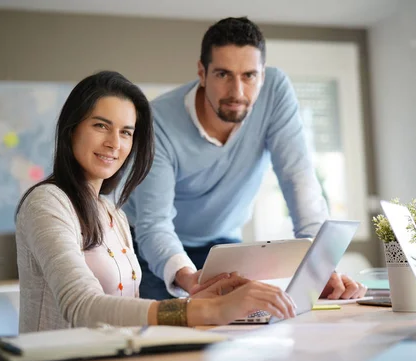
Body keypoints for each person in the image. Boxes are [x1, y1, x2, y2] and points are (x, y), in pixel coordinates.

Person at [15, 71, 296, 333]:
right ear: (71, 129)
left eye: (126, 132)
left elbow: (128, 310)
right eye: (101, 126)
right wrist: (209, 310)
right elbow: (81, 306)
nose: (115, 143)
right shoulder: (47, 203)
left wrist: (196, 301)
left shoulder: (114, 214)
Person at [124, 17, 368, 301]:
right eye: (223, 75)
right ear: (202, 73)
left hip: (222, 244)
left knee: (241, 327)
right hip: (154, 249)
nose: (237, 93)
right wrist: (189, 279)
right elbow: (155, 224)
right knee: (171, 332)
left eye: (249, 76)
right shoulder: (158, 121)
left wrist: (321, 267)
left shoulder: (275, 92)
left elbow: (298, 180)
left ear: (262, 75)